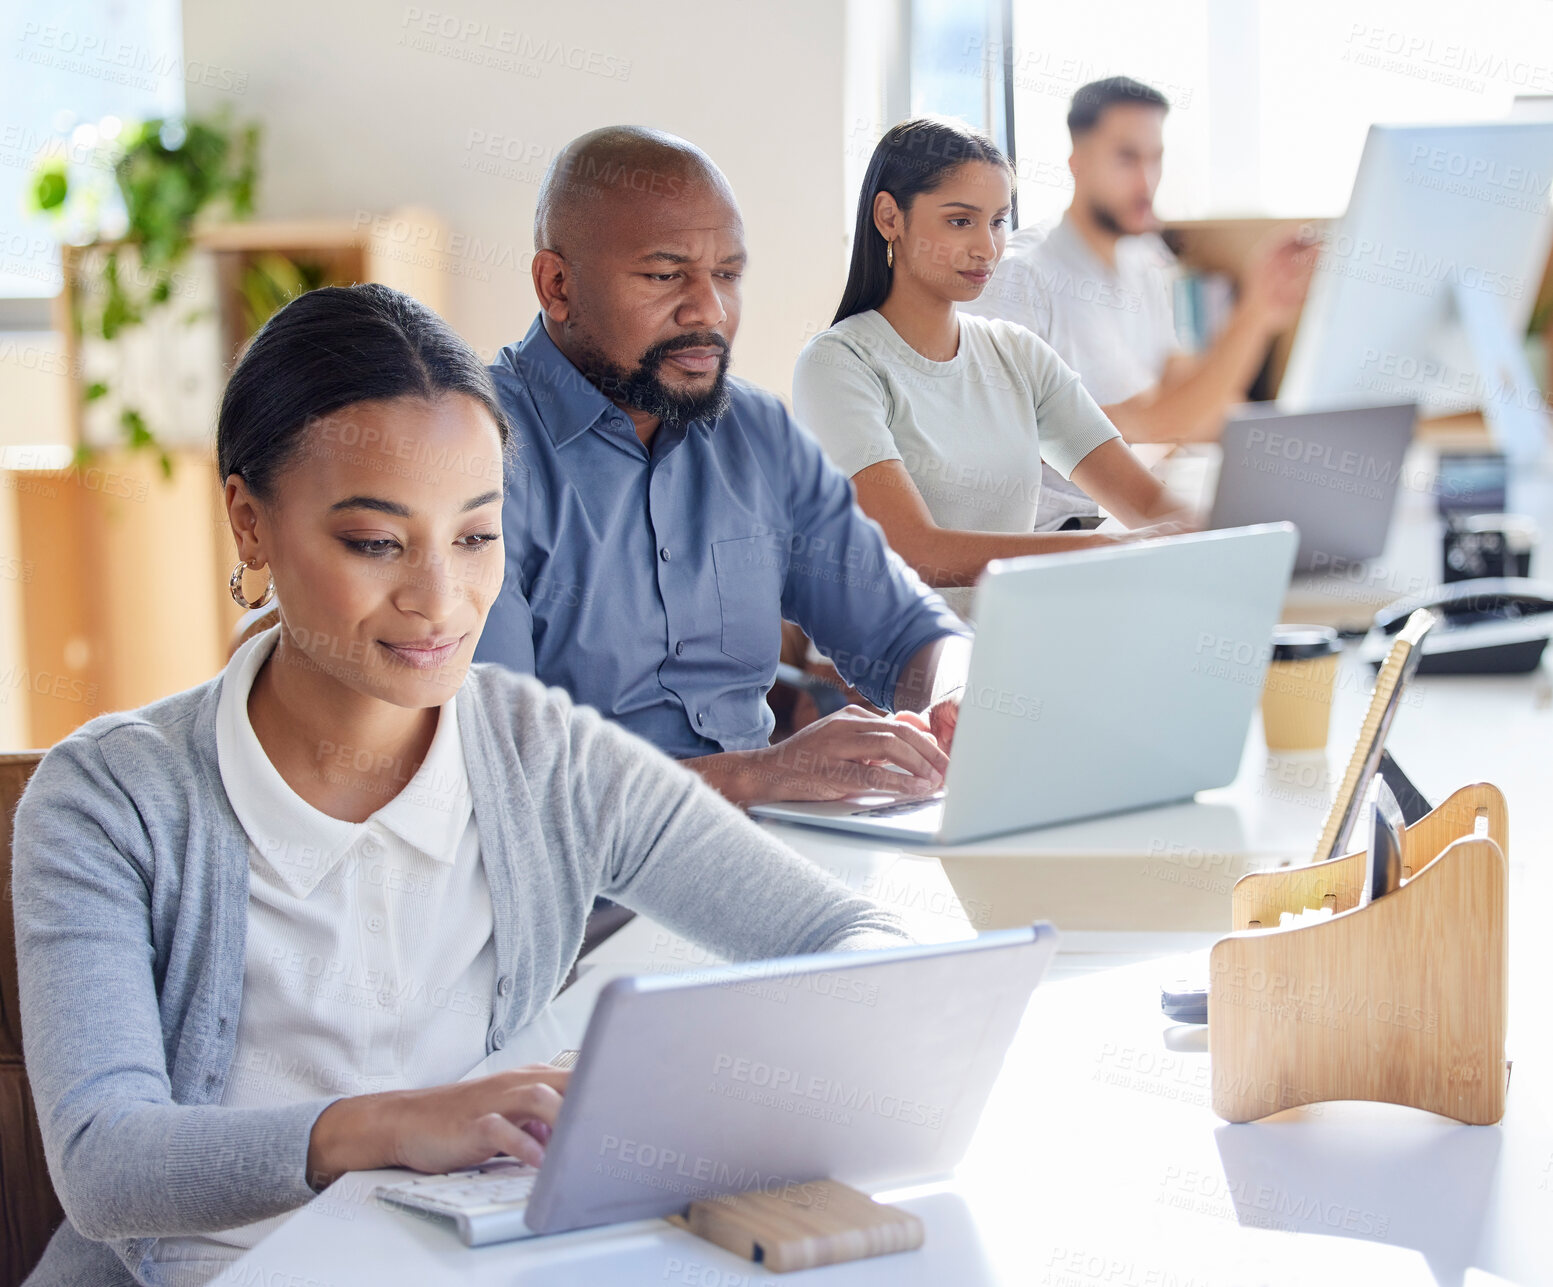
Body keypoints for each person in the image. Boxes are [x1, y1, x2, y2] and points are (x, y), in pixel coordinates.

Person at [12, 284, 910, 1287]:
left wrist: (661, 1089)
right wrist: (391, 1127)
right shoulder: (109, 798)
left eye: (476, 536)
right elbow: (105, 1162)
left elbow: (858, 947)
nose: (440, 600)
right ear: (249, 524)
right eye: (374, 543)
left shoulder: (543, 754)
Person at [472, 126, 970, 805]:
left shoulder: (757, 432)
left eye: (727, 276)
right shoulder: (468, 451)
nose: (708, 310)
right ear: (556, 285)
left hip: (763, 850)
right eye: (664, 275)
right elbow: (496, 771)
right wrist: (757, 775)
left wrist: (954, 690)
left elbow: (901, 629)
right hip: (583, 889)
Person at [792, 117, 1190, 616]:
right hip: (883, 678)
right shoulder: (838, 364)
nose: (987, 247)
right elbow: (913, 549)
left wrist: (1231, 536)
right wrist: (1098, 552)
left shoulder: (1019, 355)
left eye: (999, 221)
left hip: (1005, 651)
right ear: (889, 217)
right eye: (961, 221)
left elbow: (1149, 504)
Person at [962, 76, 1316, 526]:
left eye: (1156, 159)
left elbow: (1184, 390)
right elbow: (1151, 423)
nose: (1147, 180)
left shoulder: (1144, 260)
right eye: (1127, 158)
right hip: (1061, 533)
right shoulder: (1019, 275)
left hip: (1133, 512)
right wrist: (1254, 315)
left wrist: (1293, 447)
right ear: (1078, 161)